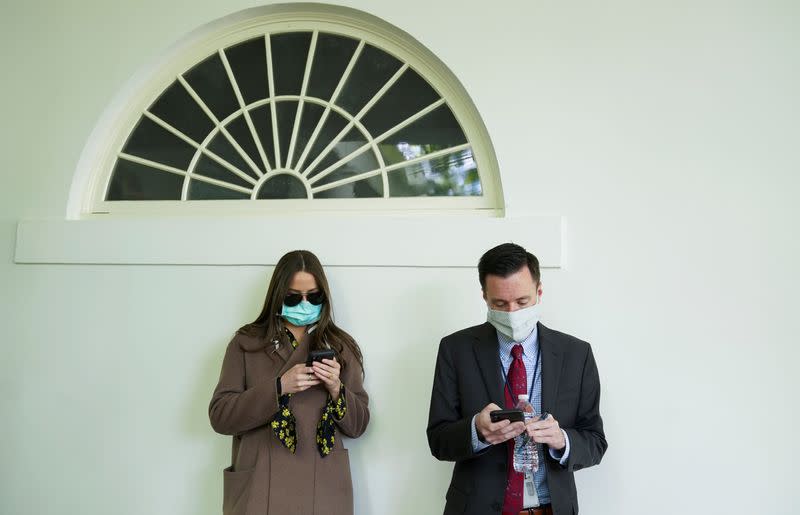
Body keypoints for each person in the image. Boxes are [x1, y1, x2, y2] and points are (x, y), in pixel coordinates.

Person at [427, 243, 607, 515]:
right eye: (500, 303)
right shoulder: (456, 350)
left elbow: (595, 441)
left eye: (522, 302)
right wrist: (477, 430)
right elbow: (438, 440)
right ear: (485, 297)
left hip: (552, 509)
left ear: (539, 292)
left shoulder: (576, 354)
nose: (512, 312)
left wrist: (562, 440)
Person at [209, 250, 369, 515]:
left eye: (314, 296)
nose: (305, 304)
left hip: (323, 488)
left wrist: (335, 389)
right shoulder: (246, 344)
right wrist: (279, 387)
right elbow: (220, 416)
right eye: (294, 297)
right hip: (261, 485)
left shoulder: (340, 347)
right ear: (278, 296)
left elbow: (359, 425)